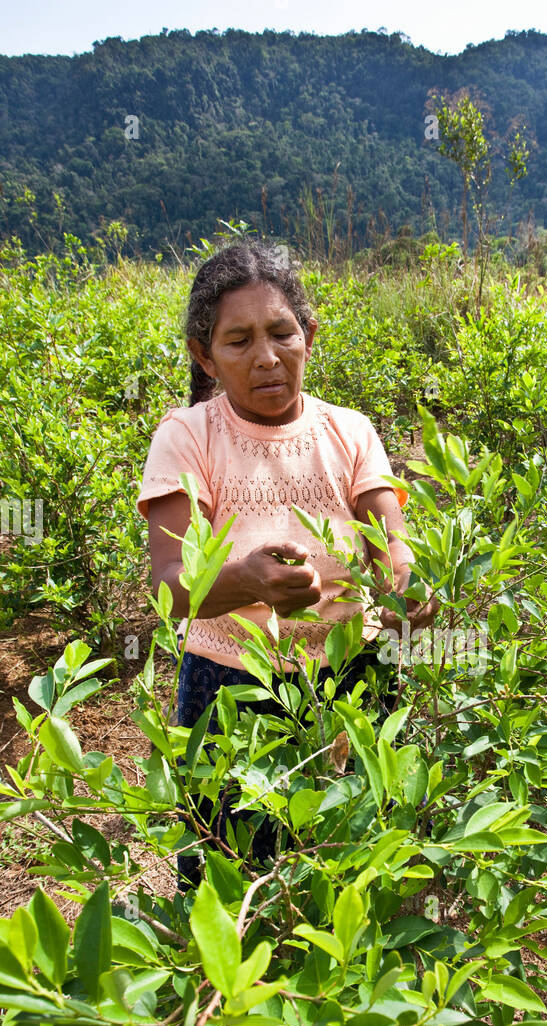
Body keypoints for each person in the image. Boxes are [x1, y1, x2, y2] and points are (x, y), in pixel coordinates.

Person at [136, 240, 437, 888]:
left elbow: (393, 547)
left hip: (356, 676)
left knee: (356, 859)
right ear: (204, 356)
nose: (266, 357)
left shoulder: (350, 431)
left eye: (281, 332)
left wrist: (408, 590)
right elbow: (168, 584)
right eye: (238, 341)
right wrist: (245, 580)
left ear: (310, 334)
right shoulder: (188, 436)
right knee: (233, 870)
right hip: (231, 686)